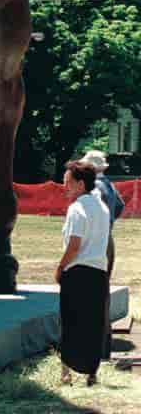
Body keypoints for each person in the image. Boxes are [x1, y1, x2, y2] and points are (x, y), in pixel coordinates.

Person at [56, 159, 110, 387]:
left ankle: (66, 372)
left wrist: (60, 267)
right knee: (93, 322)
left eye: (68, 182)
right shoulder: (103, 207)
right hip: (98, 272)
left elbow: (74, 244)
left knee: (70, 321)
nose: (64, 187)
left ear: (80, 184)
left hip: (77, 272)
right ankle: (91, 372)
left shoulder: (77, 208)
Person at [80, 148, 125, 358]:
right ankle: (103, 343)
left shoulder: (94, 187)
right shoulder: (109, 184)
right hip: (108, 239)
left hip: (97, 242)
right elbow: (120, 206)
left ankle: (95, 347)